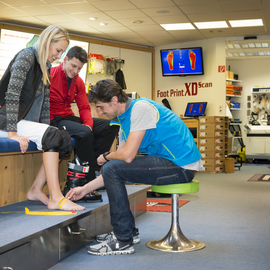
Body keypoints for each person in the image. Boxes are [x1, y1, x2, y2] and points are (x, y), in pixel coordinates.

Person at [66, 79, 203, 255]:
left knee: (110, 167)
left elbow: (126, 156)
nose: (99, 112)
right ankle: (128, 231)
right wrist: (85, 189)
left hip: (182, 166)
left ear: (114, 100)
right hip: (169, 163)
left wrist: (106, 156)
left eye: (101, 107)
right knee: (112, 168)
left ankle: (123, 239)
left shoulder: (141, 109)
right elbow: (121, 162)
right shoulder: (122, 119)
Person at [0, 25, 85, 211]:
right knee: (54, 135)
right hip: (6, 120)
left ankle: (36, 189)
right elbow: (12, 95)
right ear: (47, 42)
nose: (59, 56)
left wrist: (47, 132)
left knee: (61, 138)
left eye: (62, 52)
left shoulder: (45, 65)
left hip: (21, 121)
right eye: (58, 50)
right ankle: (56, 197)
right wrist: (12, 134)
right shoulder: (26, 57)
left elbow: (45, 105)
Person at [49, 46, 118, 201]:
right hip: (53, 119)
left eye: (79, 68)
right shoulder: (50, 75)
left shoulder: (78, 81)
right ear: (65, 59)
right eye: (73, 66)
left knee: (111, 126)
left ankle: (91, 168)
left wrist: (88, 124)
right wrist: (86, 129)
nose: (75, 71)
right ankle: (86, 180)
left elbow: (84, 107)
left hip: (68, 117)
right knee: (85, 133)